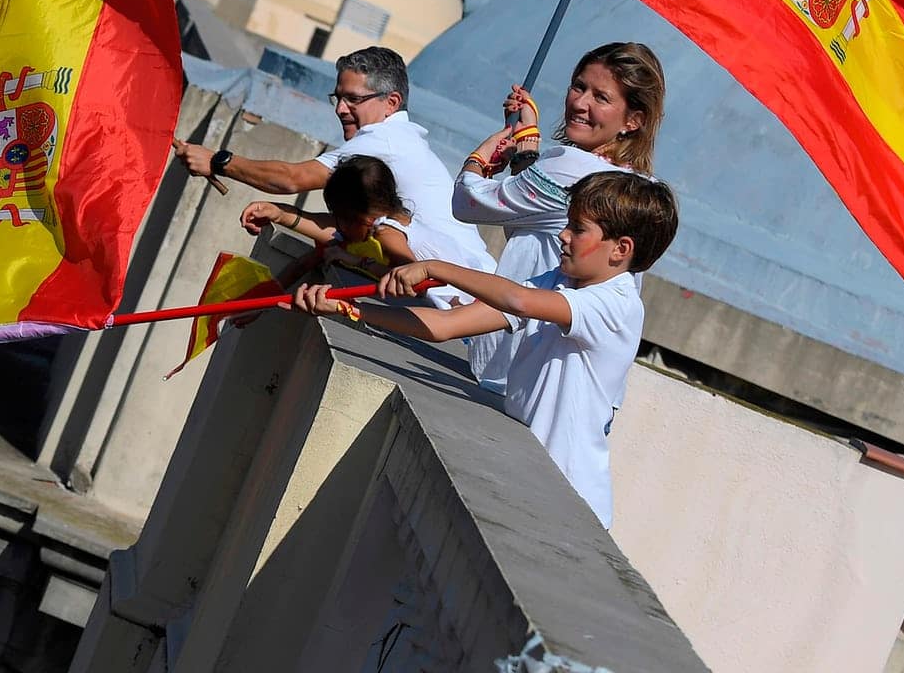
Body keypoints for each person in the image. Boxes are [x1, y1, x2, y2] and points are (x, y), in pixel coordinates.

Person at [283, 170, 678, 528]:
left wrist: (435, 267)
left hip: (567, 501)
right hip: (525, 477)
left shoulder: (615, 303)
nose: (563, 235)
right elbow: (445, 326)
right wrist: (349, 308)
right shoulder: (559, 282)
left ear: (620, 249)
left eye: (578, 228)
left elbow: (518, 301)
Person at [449, 42, 666, 392]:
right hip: (573, 385)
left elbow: (466, 202)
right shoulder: (639, 188)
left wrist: (483, 156)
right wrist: (527, 141)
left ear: (633, 120)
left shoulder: (567, 166)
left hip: (514, 372)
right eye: (578, 86)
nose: (580, 103)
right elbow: (538, 213)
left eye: (601, 97)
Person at [174, 46, 488, 263]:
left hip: (453, 296)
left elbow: (291, 178)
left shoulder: (384, 139)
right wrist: (283, 214)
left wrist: (219, 162)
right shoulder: (400, 140)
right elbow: (352, 229)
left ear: (392, 102)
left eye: (353, 99)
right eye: (337, 98)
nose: (340, 109)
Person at [241, 155, 495, 288]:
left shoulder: (388, 233)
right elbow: (311, 256)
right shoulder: (384, 224)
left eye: (340, 218)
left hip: (467, 304)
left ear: (363, 218)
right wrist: (279, 213)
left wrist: (359, 262)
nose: (337, 226)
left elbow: (410, 278)